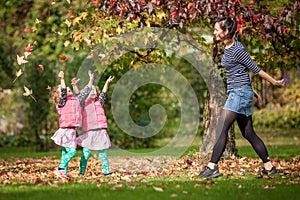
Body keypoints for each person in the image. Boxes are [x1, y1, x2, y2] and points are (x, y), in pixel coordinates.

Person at [199, 17, 285, 179]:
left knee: (222, 128)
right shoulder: (228, 47)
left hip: (238, 94)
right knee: (248, 133)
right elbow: (240, 71)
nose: (215, 32)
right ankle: (269, 167)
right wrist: (251, 89)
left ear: (226, 32)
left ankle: (212, 167)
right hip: (241, 92)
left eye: (217, 30)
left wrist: (274, 82)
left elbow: (255, 69)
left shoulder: (238, 49)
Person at [51, 70, 94, 178]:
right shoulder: (61, 102)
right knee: (72, 152)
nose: (66, 89)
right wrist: (62, 79)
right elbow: (64, 91)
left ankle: (63, 173)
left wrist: (91, 80)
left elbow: (85, 93)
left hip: (72, 130)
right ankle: (60, 168)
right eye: (62, 90)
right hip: (65, 130)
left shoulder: (76, 100)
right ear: (59, 95)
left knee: (65, 153)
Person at [75, 75, 114, 176]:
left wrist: (107, 83)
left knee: (103, 153)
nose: (92, 92)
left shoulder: (99, 102)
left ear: (97, 93)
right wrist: (77, 85)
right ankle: (81, 172)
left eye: (94, 90)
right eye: (90, 90)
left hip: (100, 131)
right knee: (86, 153)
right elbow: (80, 95)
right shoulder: (84, 103)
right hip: (90, 132)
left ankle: (106, 172)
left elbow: (104, 93)